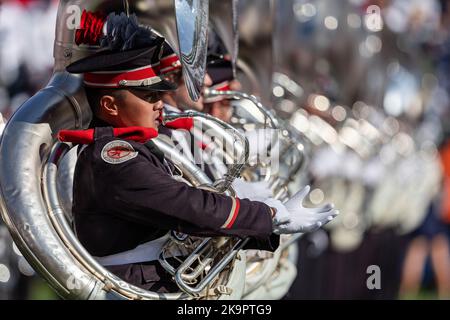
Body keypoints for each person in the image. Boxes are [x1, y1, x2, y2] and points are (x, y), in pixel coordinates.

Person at [58, 13, 338, 293]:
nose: (160, 105)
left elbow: (190, 201)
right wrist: (268, 216)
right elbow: (186, 204)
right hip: (137, 288)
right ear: (110, 106)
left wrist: (264, 220)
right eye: (151, 97)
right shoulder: (113, 157)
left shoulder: (138, 145)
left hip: (155, 281)